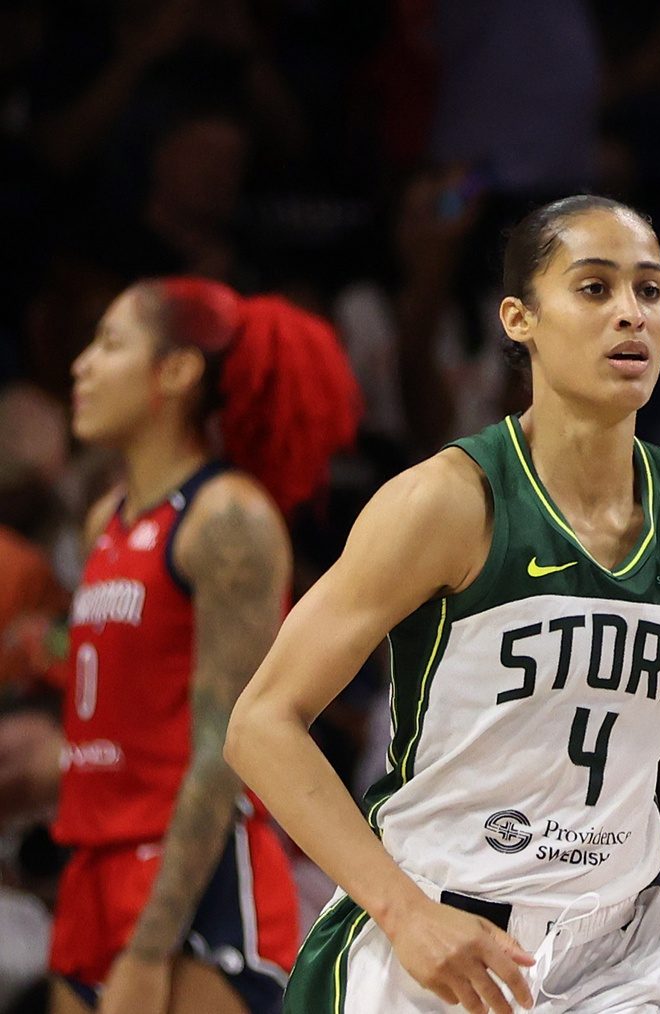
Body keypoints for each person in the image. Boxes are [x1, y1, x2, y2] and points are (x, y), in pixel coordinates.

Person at [225, 195, 660, 1014]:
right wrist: (404, 914)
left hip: (613, 956)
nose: (631, 314)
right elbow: (260, 725)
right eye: (595, 288)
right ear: (519, 318)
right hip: (441, 936)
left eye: (650, 291)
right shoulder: (449, 502)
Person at [53, 277, 360, 1014]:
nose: (81, 365)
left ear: (178, 371)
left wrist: (150, 946)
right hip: (94, 861)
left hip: (195, 872)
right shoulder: (108, 520)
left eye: (111, 343)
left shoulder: (229, 520)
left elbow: (226, 744)